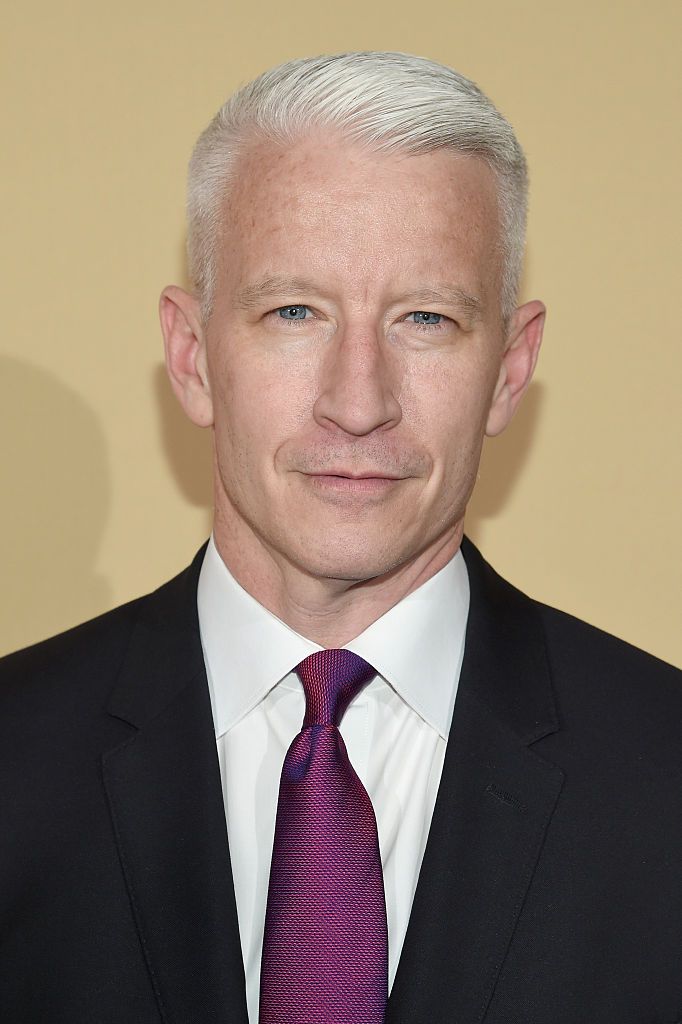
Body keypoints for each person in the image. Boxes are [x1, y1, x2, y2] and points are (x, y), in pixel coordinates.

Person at [1, 51, 681, 1024]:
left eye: (426, 318)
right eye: (293, 311)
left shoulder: (665, 783)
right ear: (191, 357)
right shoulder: (14, 765)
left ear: (509, 368)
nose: (357, 401)